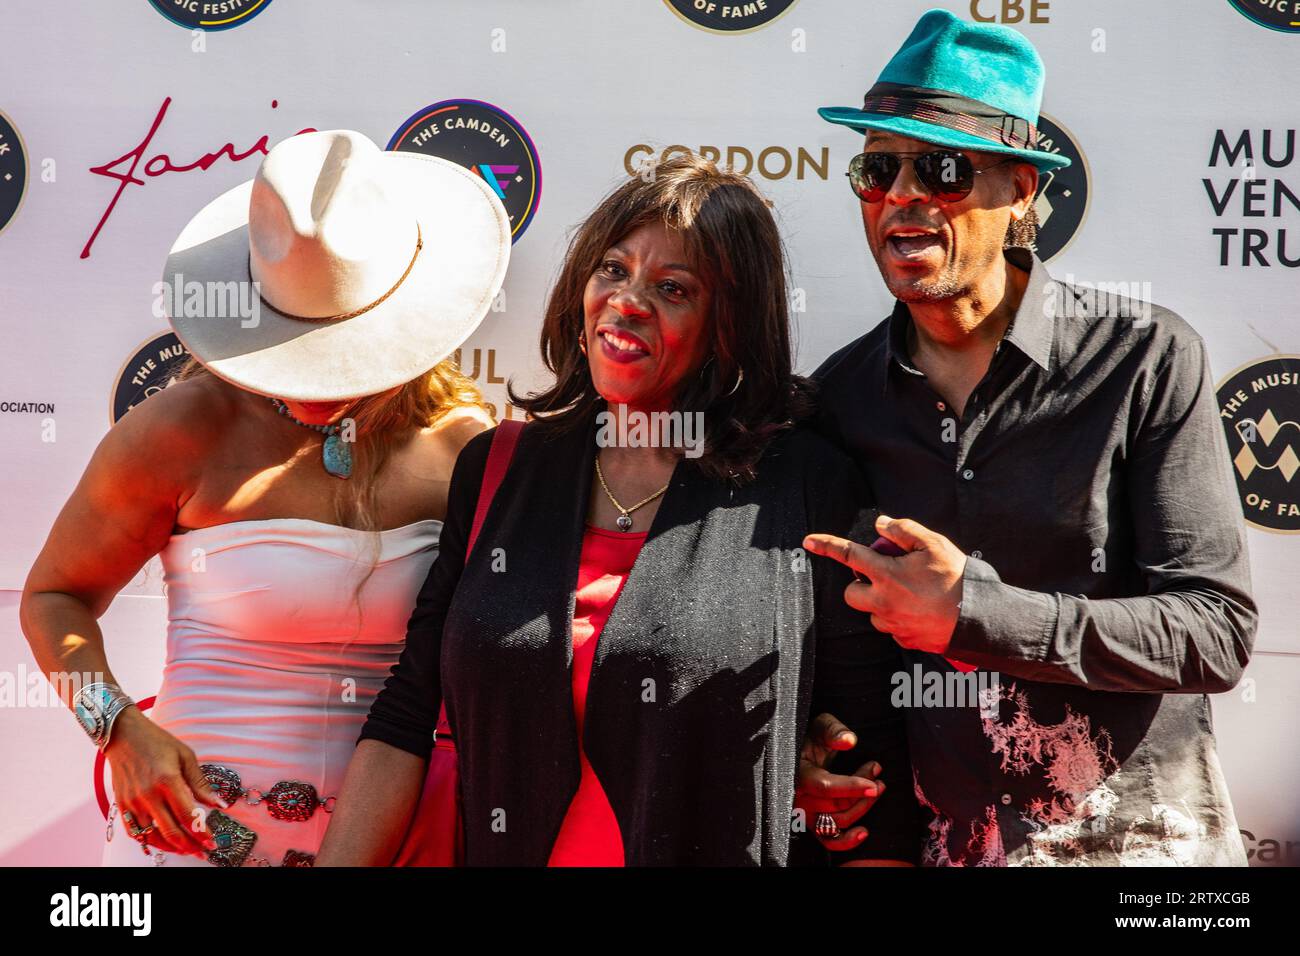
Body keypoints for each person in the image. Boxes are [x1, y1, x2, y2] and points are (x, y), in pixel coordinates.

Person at [317, 154, 919, 867]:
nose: (627, 302)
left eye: (672, 288)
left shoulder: (804, 488)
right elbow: (407, 715)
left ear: (728, 329)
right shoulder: (498, 469)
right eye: (613, 270)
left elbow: (868, 776)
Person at [802, 8, 1257, 866]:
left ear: (1019, 190)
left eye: (938, 168)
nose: (900, 195)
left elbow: (1216, 631)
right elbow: (848, 657)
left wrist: (974, 614)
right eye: (877, 169)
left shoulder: (1145, 358)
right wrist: (815, 744)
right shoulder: (838, 401)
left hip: (1147, 856)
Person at [20, 128, 511, 867]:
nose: (311, 382)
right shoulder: (182, 429)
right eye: (292, 339)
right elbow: (54, 596)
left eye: (339, 349)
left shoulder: (471, 450)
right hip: (186, 847)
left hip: (397, 845)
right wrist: (116, 727)